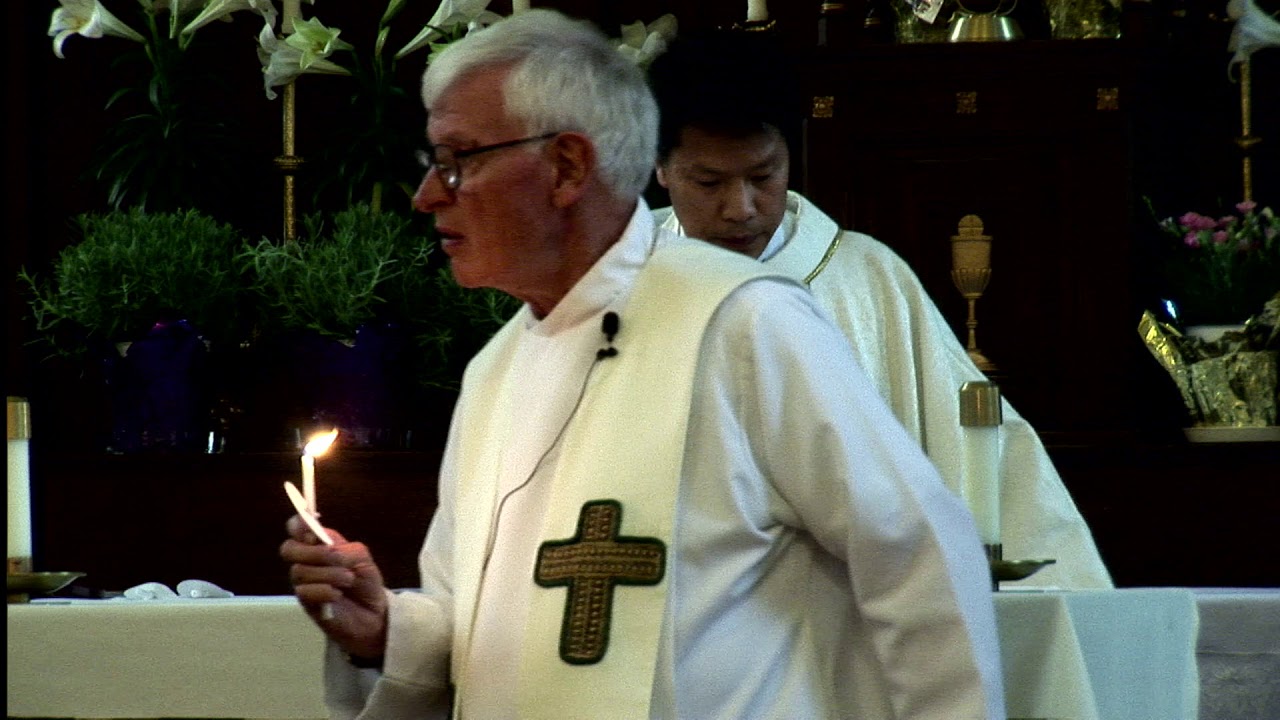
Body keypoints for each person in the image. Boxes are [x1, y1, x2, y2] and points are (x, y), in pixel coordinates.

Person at [281, 9, 1005, 719]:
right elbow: (476, 623)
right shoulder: (497, 369)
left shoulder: (741, 322)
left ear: (566, 166)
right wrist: (385, 632)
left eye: (459, 160)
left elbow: (916, 560)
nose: (428, 194)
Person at [647, 30, 1112, 590]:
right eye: (709, 182)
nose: (740, 208)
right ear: (660, 166)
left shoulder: (866, 280)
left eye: (763, 177)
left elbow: (980, 447)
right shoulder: (629, 279)